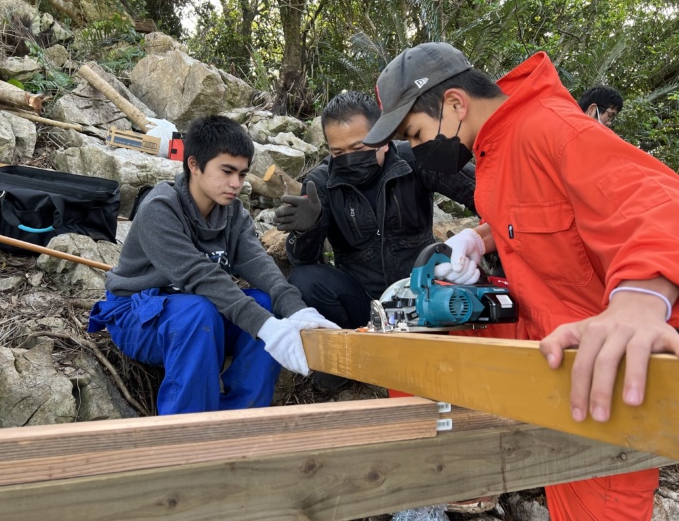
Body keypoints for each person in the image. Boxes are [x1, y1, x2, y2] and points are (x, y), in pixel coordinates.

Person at [362, 41, 679, 521]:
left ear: (453, 104)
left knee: (593, 502)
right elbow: (542, 211)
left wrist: (639, 299)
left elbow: (658, 205)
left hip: (601, 364)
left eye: (417, 132)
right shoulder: (496, 144)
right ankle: (445, 483)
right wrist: (481, 239)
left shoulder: (552, 128)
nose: (418, 147)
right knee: (410, 330)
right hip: (541, 327)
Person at [88, 115, 338, 415]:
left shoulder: (233, 214)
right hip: (137, 315)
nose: (236, 184)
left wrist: (296, 309)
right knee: (200, 311)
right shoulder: (161, 208)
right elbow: (199, 275)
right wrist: (268, 328)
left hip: (199, 310)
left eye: (243, 174)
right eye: (227, 171)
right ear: (194, 165)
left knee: (265, 302)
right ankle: (187, 432)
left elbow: (259, 265)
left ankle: (242, 418)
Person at [273, 91, 477, 391]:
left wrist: (485, 236)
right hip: (364, 306)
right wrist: (308, 228)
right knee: (305, 279)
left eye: (359, 146)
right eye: (338, 152)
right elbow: (304, 261)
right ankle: (348, 358)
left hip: (421, 295)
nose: (349, 157)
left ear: (382, 135)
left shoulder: (415, 158)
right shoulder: (320, 183)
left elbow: (482, 191)